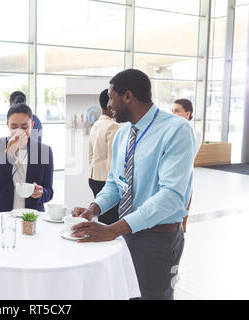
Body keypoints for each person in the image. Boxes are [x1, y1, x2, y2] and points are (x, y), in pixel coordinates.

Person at [71, 69, 196, 300]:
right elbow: (115, 184)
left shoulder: (177, 130)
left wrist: (113, 229)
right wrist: (93, 209)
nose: (108, 104)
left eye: (111, 97)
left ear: (127, 96)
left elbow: (172, 196)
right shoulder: (123, 133)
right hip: (127, 235)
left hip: (158, 240)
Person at [0, 103, 54, 212]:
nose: (19, 131)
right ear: (7, 125)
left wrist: (41, 193)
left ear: (32, 125)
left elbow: (49, 191)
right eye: (14, 127)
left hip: (32, 214)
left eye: (24, 127)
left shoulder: (44, 151)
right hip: (3, 212)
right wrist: (9, 154)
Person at [88, 89, 120, 225]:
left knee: (103, 218)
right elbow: (114, 159)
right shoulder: (113, 126)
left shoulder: (96, 124)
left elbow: (90, 155)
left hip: (94, 177)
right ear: (109, 105)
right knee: (110, 221)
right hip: (107, 181)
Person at [172, 98, 202, 233]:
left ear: (188, 113)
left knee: (182, 217)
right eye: (172, 111)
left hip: (183, 179)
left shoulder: (193, 131)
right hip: (173, 178)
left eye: (177, 111)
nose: (173, 114)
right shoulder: (174, 129)